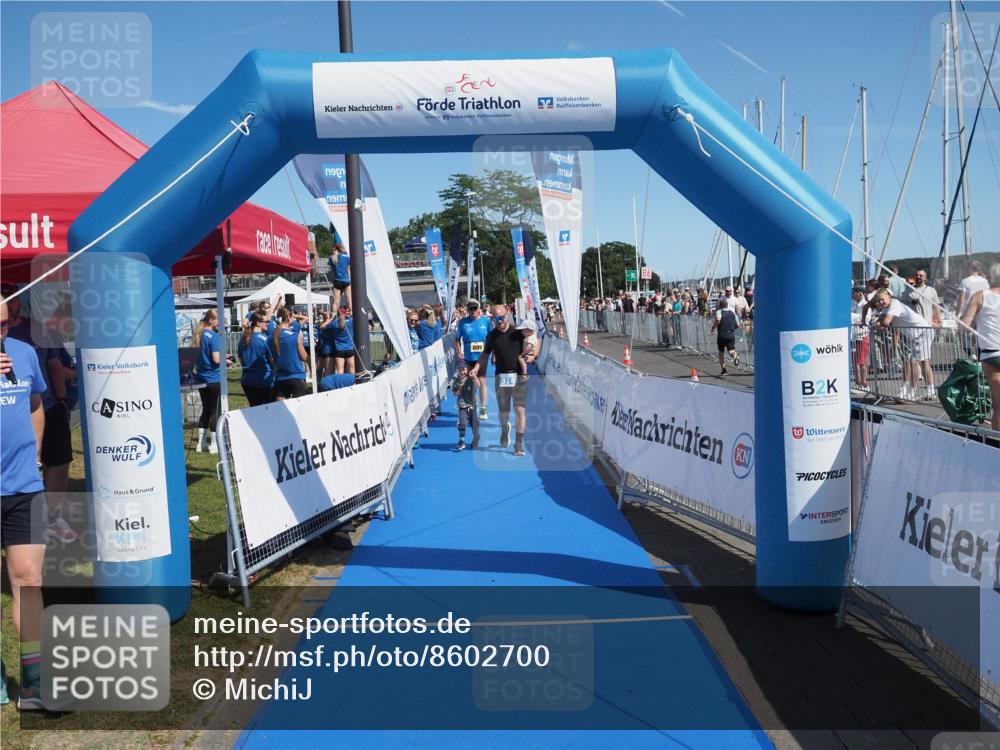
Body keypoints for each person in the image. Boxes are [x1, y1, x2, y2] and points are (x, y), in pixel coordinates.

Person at [0, 300, 48, 709]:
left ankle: (34, 682)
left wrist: (34, 456)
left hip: (23, 488)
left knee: (29, 583)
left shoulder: (24, 353)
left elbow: (35, 406)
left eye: (5, 322)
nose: (2, 332)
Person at [470, 306, 536, 456]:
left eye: (502, 317)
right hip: (502, 377)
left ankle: (518, 444)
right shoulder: (491, 336)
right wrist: (476, 367)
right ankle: (505, 429)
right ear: (492, 319)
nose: (499, 321)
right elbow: (484, 355)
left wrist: (532, 357)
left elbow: (535, 339)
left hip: (519, 376)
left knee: (520, 410)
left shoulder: (518, 332)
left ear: (507, 315)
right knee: (503, 412)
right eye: (496, 319)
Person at [873, 289, 935, 401]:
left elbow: (886, 322)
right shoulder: (886, 308)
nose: (881, 302)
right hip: (917, 334)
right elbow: (879, 320)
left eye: (883, 299)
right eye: (879, 301)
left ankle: (911, 393)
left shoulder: (895, 304)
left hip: (923, 332)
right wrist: (879, 323)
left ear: (888, 296)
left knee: (914, 362)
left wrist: (881, 325)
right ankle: (930, 391)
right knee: (923, 362)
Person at [960, 263, 1000, 431]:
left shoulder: (980, 296)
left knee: (999, 403)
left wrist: (964, 323)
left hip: (991, 354)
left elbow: (964, 325)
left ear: (990, 278)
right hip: (992, 351)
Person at [192, 310, 223, 452]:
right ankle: (214, 445)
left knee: (206, 410)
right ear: (211, 320)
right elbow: (216, 359)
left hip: (201, 377)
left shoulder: (199, 335)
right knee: (215, 410)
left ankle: (201, 444)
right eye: (217, 320)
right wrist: (226, 360)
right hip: (213, 378)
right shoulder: (214, 336)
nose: (218, 323)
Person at [455, 299, 491, 420]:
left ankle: (483, 408)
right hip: (468, 357)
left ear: (478, 308)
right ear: (467, 309)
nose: (473, 311)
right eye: (470, 308)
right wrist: (459, 352)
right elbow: (456, 339)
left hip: (482, 356)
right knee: (470, 381)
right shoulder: (463, 322)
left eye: (475, 308)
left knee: (481, 380)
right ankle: (472, 404)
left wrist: (494, 354)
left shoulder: (485, 321)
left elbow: (491, 338)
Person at [270, 306, 308, 399]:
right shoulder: (294, 334)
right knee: (300, 410)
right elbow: (304, 357)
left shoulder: (273, 335)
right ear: (288, 317)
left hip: (280, 377)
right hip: (296, 375)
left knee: (280, 411)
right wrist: (294, 315)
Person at [238, 312, 275, 406]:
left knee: (254, 412)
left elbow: (241, 359)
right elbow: (272, 361)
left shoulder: (243, 339)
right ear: (258, 323)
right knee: (268, 412)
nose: (268, 323)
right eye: (266, 321)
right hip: (264, 381)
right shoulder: (265, 339)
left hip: (247, 381)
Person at [450, 360, 480, 451]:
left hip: (473, 406)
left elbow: (478, 385)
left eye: (464, 370)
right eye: (460, 370)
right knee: (462, 423)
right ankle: (461, 440)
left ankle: (476, 438)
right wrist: (459, 388)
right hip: (462, 406)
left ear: (467, 370)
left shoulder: (471, 379)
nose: (462, 372)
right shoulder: (456, 381)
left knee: (474, 425)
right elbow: (455, 394)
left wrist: (474, 377)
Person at [711, 297, 741, 374]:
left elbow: (718, 319)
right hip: (730, 334)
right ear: (727, 305)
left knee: (721, 353)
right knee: (731, 352)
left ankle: (724, 370)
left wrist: (713, 328)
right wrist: (732, 329)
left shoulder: (719, 312)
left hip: (721, 334)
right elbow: (738, 324)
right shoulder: (732, 313)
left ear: (720, 306)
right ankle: (735, 356)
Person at [850, 287, 870, 389]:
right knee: (855, 361)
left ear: (859, 293)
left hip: (862, 336)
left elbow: (865, 319)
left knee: (862, 361)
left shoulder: (865, 305)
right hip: (854, 336)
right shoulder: (854, 304)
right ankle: (858, 382)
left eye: (854, 293)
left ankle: (864, 383)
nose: (852, 295)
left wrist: (853, 317)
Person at [330, 306, 356, 375]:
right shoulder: (350, 321)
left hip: (339, 349)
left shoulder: (334, 323)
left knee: (340, 371)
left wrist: (332, 317)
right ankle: (352, 384)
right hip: (350, 349)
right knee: (352, 370)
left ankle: (341, 385)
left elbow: (325, 326)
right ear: (345, 313)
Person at [330, 243, 352, 311]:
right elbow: (348, 269)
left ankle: (334, 318)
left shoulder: (331, 258)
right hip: (346, 280)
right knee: (349, 300)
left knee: (336, 302)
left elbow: (331, 270)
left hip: (337, 281)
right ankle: (352, 316)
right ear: (341, 249)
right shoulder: (346, 257)